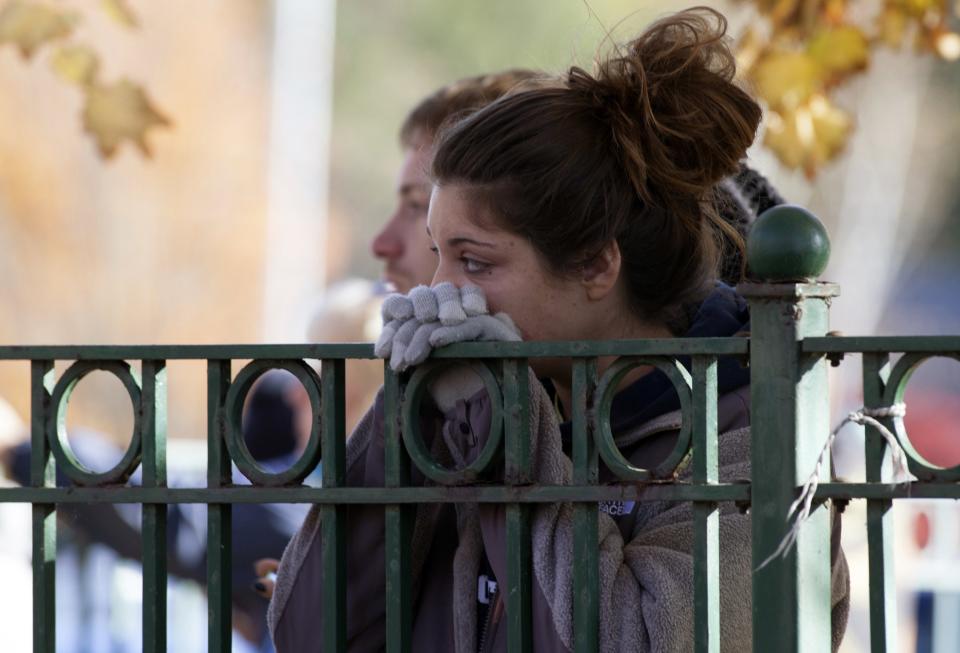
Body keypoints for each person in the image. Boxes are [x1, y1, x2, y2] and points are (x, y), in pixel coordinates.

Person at [269, 7, 849, 652]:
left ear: (596, 264)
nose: (439, 291)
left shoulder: (744, 447)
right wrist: (407, 423)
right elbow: (312, 636)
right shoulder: (456, 414)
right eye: (437, 252)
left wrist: (504, 419)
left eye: (476, 260)